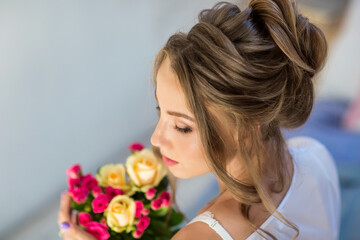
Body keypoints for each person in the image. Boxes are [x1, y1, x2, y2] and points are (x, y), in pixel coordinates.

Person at [58, 0, 341, 239]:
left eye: (182, 126)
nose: (156, 139)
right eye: (161, 112)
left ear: (246, 126)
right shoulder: (316, 157)